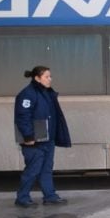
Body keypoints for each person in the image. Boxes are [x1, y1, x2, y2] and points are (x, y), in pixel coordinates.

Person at [14, 66, 71, 208]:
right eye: (47, 76)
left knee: (46, 168)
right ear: (37, 78)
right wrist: (28, 136)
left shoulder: (47, 93)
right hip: (34, 141)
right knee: (33, 169)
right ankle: (22, 197)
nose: (50, 79)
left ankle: (50, 196)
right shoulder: (27, 94)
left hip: (47, 139)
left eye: (50, 76)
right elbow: (23, 116)